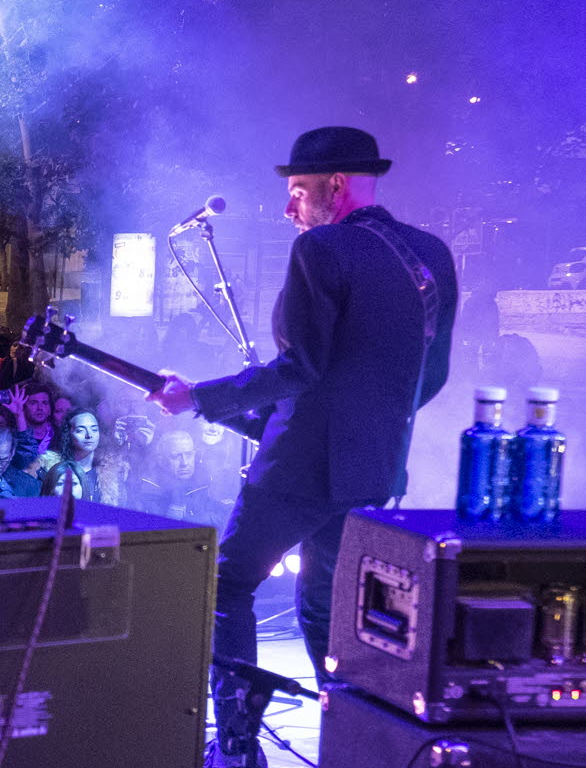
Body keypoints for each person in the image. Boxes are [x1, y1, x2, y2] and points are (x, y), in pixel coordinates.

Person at [152, 126, 457, 720]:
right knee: (327, 610)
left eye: (297, 190)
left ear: (335, 185)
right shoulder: (432, 254)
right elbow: (433, 374)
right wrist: (368, 425)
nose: (288, 206)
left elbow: (301, 367)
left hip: (298, 467)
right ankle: (354, 744)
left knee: (229, 585)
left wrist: (199, 398)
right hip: (376, 470)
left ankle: (237, 749)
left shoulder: (322, 250)